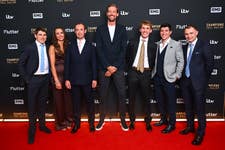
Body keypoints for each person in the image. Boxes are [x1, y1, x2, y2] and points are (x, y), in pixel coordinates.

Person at [95, 3, 128, 131]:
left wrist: (114, 67)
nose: (112, 13)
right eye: (109, 11)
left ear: (117, 14)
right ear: (106, 14)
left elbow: (123, 50)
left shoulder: (122, 29)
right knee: (103, 95)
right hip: (104, 68)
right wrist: (108, 66)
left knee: (121, 94)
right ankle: (101, 119)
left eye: (114, 11)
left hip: (118, 69)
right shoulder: (100, 29)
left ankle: (123, 121)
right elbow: (99, 50)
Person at [179, 25, 214, 145]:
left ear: (196, 33)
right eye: (186, 34)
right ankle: (190, 126)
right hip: (185, 81)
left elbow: (210, 65)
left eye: (191, 33)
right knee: (188, 107)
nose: (188, 36)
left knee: (199, 109)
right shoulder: (184, 47)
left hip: (198, 83)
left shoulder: (204, 45)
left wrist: (202, 80)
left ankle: (200, 132)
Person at [18, 27, 52, 144]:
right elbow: (21, 64)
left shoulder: (48, 47)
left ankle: (42, 126)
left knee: (42, 104)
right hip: (34, 80)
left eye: (44, 35)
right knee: (32, 106)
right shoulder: (29, 47)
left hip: (45, 79)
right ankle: (32, 131)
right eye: (40, 35)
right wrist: (28, 79)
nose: (43, 37)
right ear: (35, 36)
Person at [65, 23, 97, 133]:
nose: (79, 32)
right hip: (74, 81)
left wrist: (94, 78)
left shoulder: (91, 47)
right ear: (74, 32)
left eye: (81, 29)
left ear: (85, 31)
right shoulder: (70, 46)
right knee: (76, 104)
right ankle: (76, 124)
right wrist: (67, 79)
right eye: (77, 30)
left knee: (90, 104)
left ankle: (92, 124)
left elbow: (94, 64)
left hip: (88, 80)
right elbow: (67, 64)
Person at [152, 23, 184, 133]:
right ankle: (163, 120)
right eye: (162, 31)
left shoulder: (176, 44)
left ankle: (172, 124)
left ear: (170, 32)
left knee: (170, 102)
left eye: (166, 31)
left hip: (169, 78)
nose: (163, 33)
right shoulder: (157, 44)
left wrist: (177, 75)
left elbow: (181, 61)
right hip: (157, 78)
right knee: (160, 101)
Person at [126, 20, 156, 131]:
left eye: (147, 28)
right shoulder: (132, 42)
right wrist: (130, 70)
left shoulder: (154, 45)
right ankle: (132, 121)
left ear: (151, 31)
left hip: (146, 74)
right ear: (140, 30)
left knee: (146, 99)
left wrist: (149, 71)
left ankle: (148, 121)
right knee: (131, 98)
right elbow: (127, 57)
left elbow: (154, 61)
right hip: (133, 72)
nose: (145, 30)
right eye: (143, 28)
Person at [48, 27, 73, 131]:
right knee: (59, 102)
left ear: (64, 33)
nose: (60, 35)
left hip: (67, 77)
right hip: (58, 77)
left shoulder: (68, 46)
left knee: (67, 101)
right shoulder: (52, 47)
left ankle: (68, 121)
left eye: (61, 33)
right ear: (55, 35)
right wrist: (56, 80)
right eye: (57, 33)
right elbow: (52, 65)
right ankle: (60, 123)